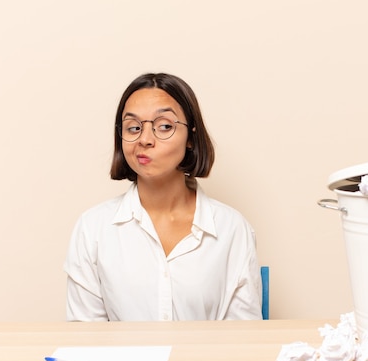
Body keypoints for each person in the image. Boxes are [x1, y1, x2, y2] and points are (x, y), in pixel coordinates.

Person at [64, 73, 262, 321]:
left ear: (190, 136)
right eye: (133, 128)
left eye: (164, 126)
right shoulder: (92, 228)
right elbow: (87, 339)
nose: (145, 140)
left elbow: (243, 339)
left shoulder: (232, 228)